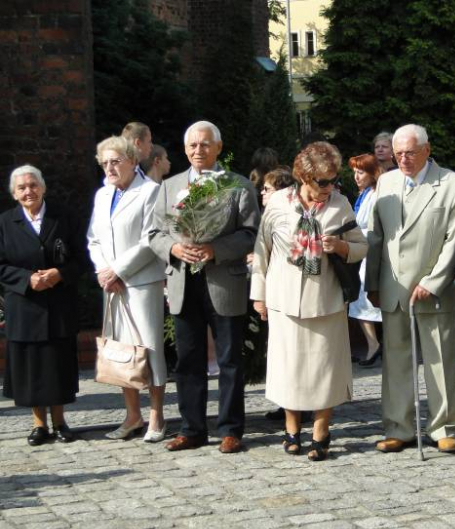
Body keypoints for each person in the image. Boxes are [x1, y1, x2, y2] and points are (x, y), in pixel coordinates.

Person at [149, 120, 260, 454]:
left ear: (218, 148)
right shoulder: (169, 187)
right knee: (188, 360)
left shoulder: (237, 185)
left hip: (223, 280)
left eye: (205, 145)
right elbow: (155, 233)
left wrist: (216, 250)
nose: (199, 150)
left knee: (229, 360)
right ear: (185, 150)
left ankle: (230, 429)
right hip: (184, 281)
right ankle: (192, 428)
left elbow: (251, 234)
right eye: (193, 146)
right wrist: (174, 248)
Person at [251, 142, 367, 461]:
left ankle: (320, 431)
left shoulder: (341, 205)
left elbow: (362, 246)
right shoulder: (277, 203)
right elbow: (263, 251)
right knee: (289, 368)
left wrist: (341, 247)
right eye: (322, 182)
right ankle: (291, 429)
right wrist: (258, 295)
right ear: (304, 177)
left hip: (325, 300)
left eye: (333, 180)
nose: (328, 188)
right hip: (283, 299)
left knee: (324, 370)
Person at [366, 124, 455, 454]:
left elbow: (454, 238)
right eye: (398, 154)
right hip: (393, 289)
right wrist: (372, 283)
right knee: (396, 362)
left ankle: (444, 426)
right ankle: (399, 426)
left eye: (410, 153)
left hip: (433, 290)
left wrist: (433, 281)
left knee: (440, 360)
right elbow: (376, 236)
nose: (404, 160)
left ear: (427, 149)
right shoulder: (386, 182)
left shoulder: (453, 184)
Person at [88, 136, 168, 442]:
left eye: (115, 161)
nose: (109, 168)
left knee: (148, 348)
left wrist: (118, 269)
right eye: (105, 162)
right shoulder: (101, 195)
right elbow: (93, 239)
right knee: (121, 349)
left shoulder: (149, 191)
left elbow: (150, 239)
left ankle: (156, 416)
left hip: (141, 282)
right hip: (111, 284)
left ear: (133, 161)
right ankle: (132, 415)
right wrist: (102, 271)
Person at [0, 165, 87, 446]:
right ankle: (39, 424)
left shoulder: (64, 217)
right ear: (14, 194)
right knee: (33, 369)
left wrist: (59, 274)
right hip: (25, 308)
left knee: (57, 365)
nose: (29, 191)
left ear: (44, 187)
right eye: (22, 188)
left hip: (58, 304)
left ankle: (60, 422)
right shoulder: (4, 223)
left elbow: (83, 258)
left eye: (33, 185)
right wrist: (27, 279)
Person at [347, 153, 383, 366]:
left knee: (366, 299)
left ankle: (375, 345)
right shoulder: (365, 193)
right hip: (361, 252)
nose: (356, 177)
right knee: (360, 302)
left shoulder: (378, 194)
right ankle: (373, 344)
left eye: (360, 172)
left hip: (370, 252)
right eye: (354, 173)